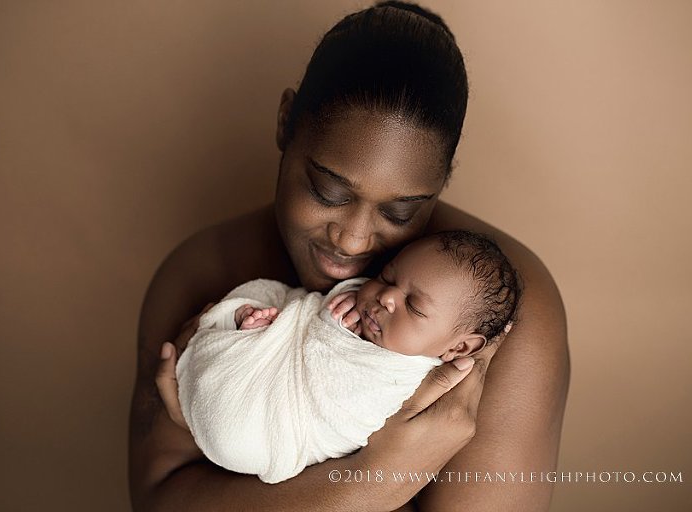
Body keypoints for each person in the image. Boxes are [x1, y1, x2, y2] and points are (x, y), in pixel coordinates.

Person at [129, 1, 569, 511]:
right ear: (284, 122)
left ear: (444, 179)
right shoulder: (201, 272)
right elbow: (156, 501)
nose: (355, 241)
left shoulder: (493, 307)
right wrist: (370, 484)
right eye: (328, 191)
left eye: (401, 212)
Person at [175, 231, 521, 484]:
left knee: (240, 433)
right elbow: (309, 307)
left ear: (459, 348)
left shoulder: (409, 381)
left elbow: (344, 409)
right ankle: (246, 330)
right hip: (266, 366)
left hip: (268, 427)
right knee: (272, 298)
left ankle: (245, 337)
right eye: (388, 277)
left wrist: (332, 331)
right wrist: (323, 315)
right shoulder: (364, 304)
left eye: (413, 306)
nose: (386, 297)